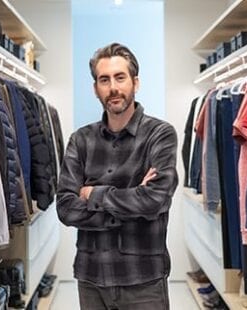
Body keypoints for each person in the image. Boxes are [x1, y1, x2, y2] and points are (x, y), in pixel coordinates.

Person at [56, 42, 178, 309]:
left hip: (143, 279)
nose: (113, 87)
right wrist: (132, 200)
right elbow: (65, 208)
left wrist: (92, 194)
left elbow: (154, 199)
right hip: (91, 277)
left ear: (135, 82)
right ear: (95, 88)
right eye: (104, 79)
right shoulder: (80, 140)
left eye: (120, 78)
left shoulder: (160, 134)